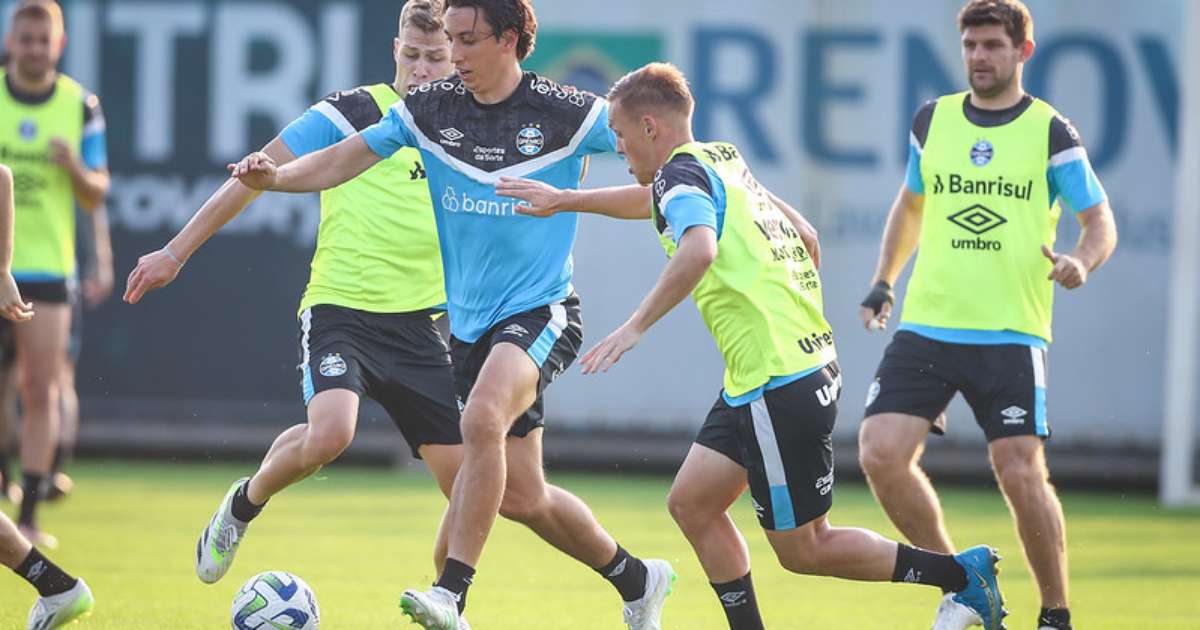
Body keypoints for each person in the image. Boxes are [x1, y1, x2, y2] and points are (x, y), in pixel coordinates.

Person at [498, 61, 1009, 630]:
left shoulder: (678, 177)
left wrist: (635, 325)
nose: (617, 147)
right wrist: (567, 200)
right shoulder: (719, 159)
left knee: (805, 548)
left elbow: (698, 249)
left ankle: (963, 577)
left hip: (777, 377)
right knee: (692, 503)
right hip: (774, 370)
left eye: (619, 134)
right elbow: (807, 239)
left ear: (649, 126)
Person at [227, 2, 673, 628]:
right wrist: (274, 178)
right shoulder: (429, 111)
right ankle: (636, 577)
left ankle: (453, 594)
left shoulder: (568, 113)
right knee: (522, 496)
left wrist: (741, 198)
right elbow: (341, 159)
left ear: (511, 40)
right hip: (468, 331)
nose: (453, 55)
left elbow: (672, 156)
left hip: (542, 311)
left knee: (484, 416)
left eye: (466, 41)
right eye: (450, 41)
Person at [123, 4, 477, 625]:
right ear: (395, 48)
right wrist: (175, 252)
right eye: (411, 56)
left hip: (423, 325)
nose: (421, 71)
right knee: (332, 433)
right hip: (342, 308)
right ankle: (243, 504)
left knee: (469, 484)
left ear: (457, 57)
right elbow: (255, 173)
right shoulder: (353, 112)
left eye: (436, 59)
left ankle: (442, 603)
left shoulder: (468, 124)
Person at [854, 2, 1118, 629]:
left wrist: (1082, 260)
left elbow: (1099, 220)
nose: (979, 56)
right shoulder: (933, 120)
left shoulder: (1051, 132)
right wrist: (883, 281)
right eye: (971, 44)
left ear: (1023, 51)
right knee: (880, 454)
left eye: (993, 45)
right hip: (928, 323)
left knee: (1019, 469)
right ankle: (963, 582)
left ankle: (1055, 614)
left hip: (1010, 332)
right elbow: (911, 205)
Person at [0, 0, 110, 548]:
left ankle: (30, 514)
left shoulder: (80, 105)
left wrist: (73, 168)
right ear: (10, 41)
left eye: (45, 40)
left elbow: (99, 190)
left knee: (39, 389)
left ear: (59, 45)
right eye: (26, 39)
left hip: (46, 269)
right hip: (0, 262)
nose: (35, 49)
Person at [0, 163, 93, 630]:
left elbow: (1, 175)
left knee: (40, 390)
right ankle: (56, 587)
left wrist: (1, 269)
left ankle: (57, 586)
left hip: (49, 275)